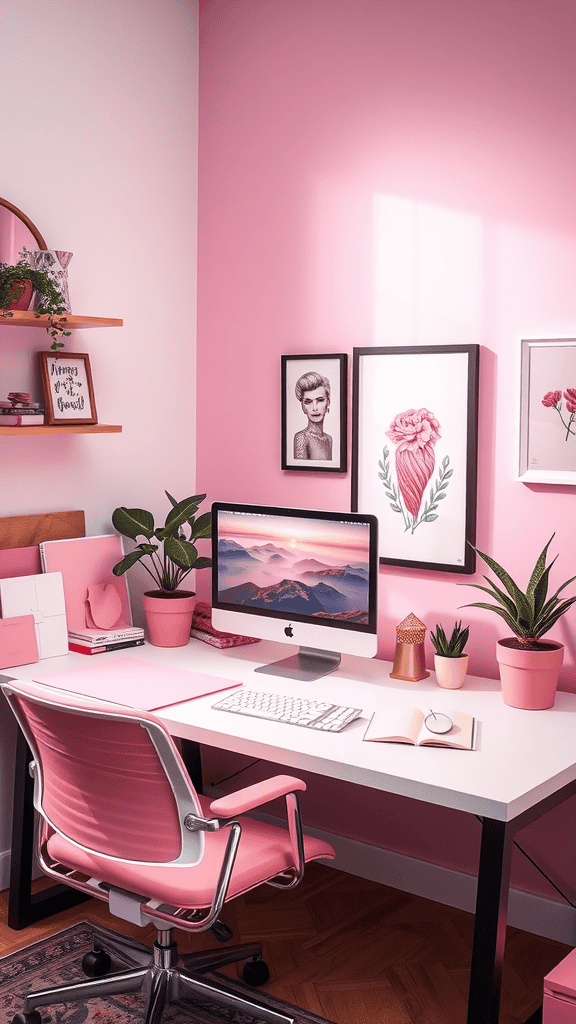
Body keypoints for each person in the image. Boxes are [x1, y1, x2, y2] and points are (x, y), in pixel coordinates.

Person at [293, 371, 333, 460]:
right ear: (303, 407)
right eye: (308, 402)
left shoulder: (329, 439)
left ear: (328, 402)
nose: (315, 408)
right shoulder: (301, 438)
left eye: (320, 400)